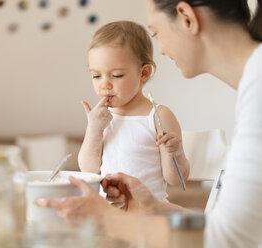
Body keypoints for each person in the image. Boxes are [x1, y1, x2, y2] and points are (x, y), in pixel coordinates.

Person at [35, 0, 262, 247]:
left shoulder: (256, 89)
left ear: (187, 17)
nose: (161, 49)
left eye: (157, 33)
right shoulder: (252, 87)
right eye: (96, 75)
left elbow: (226, 239)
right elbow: (224, 228)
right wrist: (153, 206)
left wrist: (107, 219)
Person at [78, 21, 190, 202]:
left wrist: (175, 153)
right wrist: (94, 129)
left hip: (149, 214)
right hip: (111, 214)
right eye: (96, 75)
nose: (104, 84)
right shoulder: (101, 118)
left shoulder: (158, 116)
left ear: (144, 73)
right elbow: (88, 170)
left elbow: (177, 180)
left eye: (116, 75)